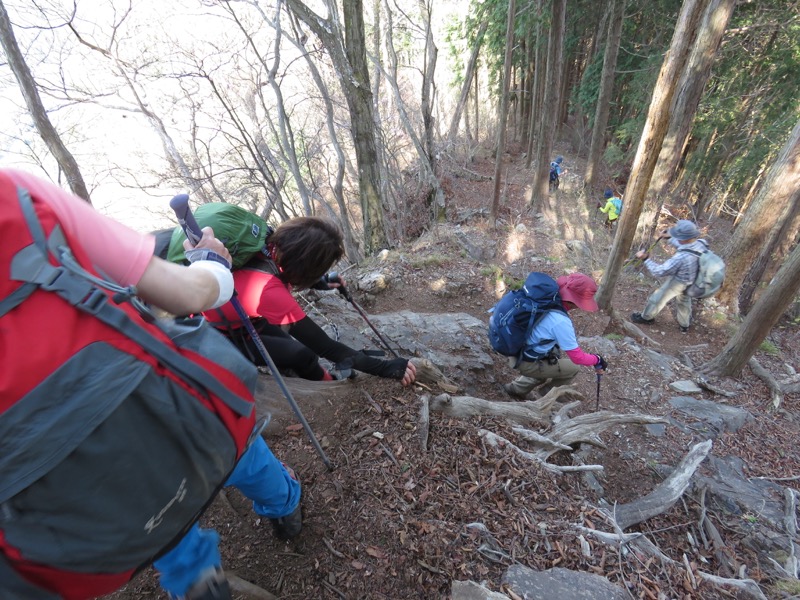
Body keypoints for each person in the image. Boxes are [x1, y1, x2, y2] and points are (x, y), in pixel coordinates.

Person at [0, 169, 299, 600]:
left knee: (148, 507)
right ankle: (283, 506)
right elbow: (184, 294)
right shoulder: (19, 198)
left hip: (55, 490)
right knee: (237, 448)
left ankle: (196, 580)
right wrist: (212, 265)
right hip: (158, 399)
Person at [204, 216, 417, 387]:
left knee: (292, 348)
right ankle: (328, 384)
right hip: (223, 337)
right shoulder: (269, 291)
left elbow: (278, 268)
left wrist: (320, 282)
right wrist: (386, 367)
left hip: (243, 320)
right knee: (303, 355)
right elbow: (327, 348)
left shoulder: (267, 242)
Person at [503, 273, 607, 399]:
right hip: (524, 360)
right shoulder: (560, 321)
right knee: (573, 368)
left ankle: (515, 389)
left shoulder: (546, 300)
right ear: (576, 302)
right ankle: (547, 396)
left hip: (514, 348)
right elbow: (577, 358)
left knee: (554, 354)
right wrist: (597, 359)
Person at [630, 219, 706, 333]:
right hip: (693, 280)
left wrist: (645, 258)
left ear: (683, 238)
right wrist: (670, 238)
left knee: (658, 298)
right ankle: (684, 325)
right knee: (684, 301)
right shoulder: (701, 243)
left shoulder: (681, 257)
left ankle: (646, 318)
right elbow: (684, 245)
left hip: (679, 282)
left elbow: (660, 271)